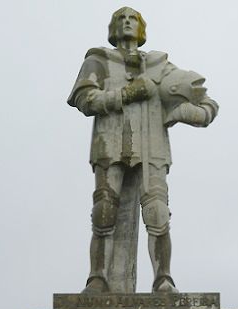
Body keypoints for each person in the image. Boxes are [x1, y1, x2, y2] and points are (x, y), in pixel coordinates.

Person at [68, 7, 218, 293]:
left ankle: (164, 278)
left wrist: (187, 113)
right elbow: (84, 98)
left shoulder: (160, 66)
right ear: (113, 27)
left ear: (141, 28)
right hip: (110, 144)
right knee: (103, 211)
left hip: (152, 146)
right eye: (121, 18)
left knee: (158, 212)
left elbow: (206, 103)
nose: (127, 22)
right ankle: (97, 278)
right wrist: (125, 94)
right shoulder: (98, 60)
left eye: (133, 18)